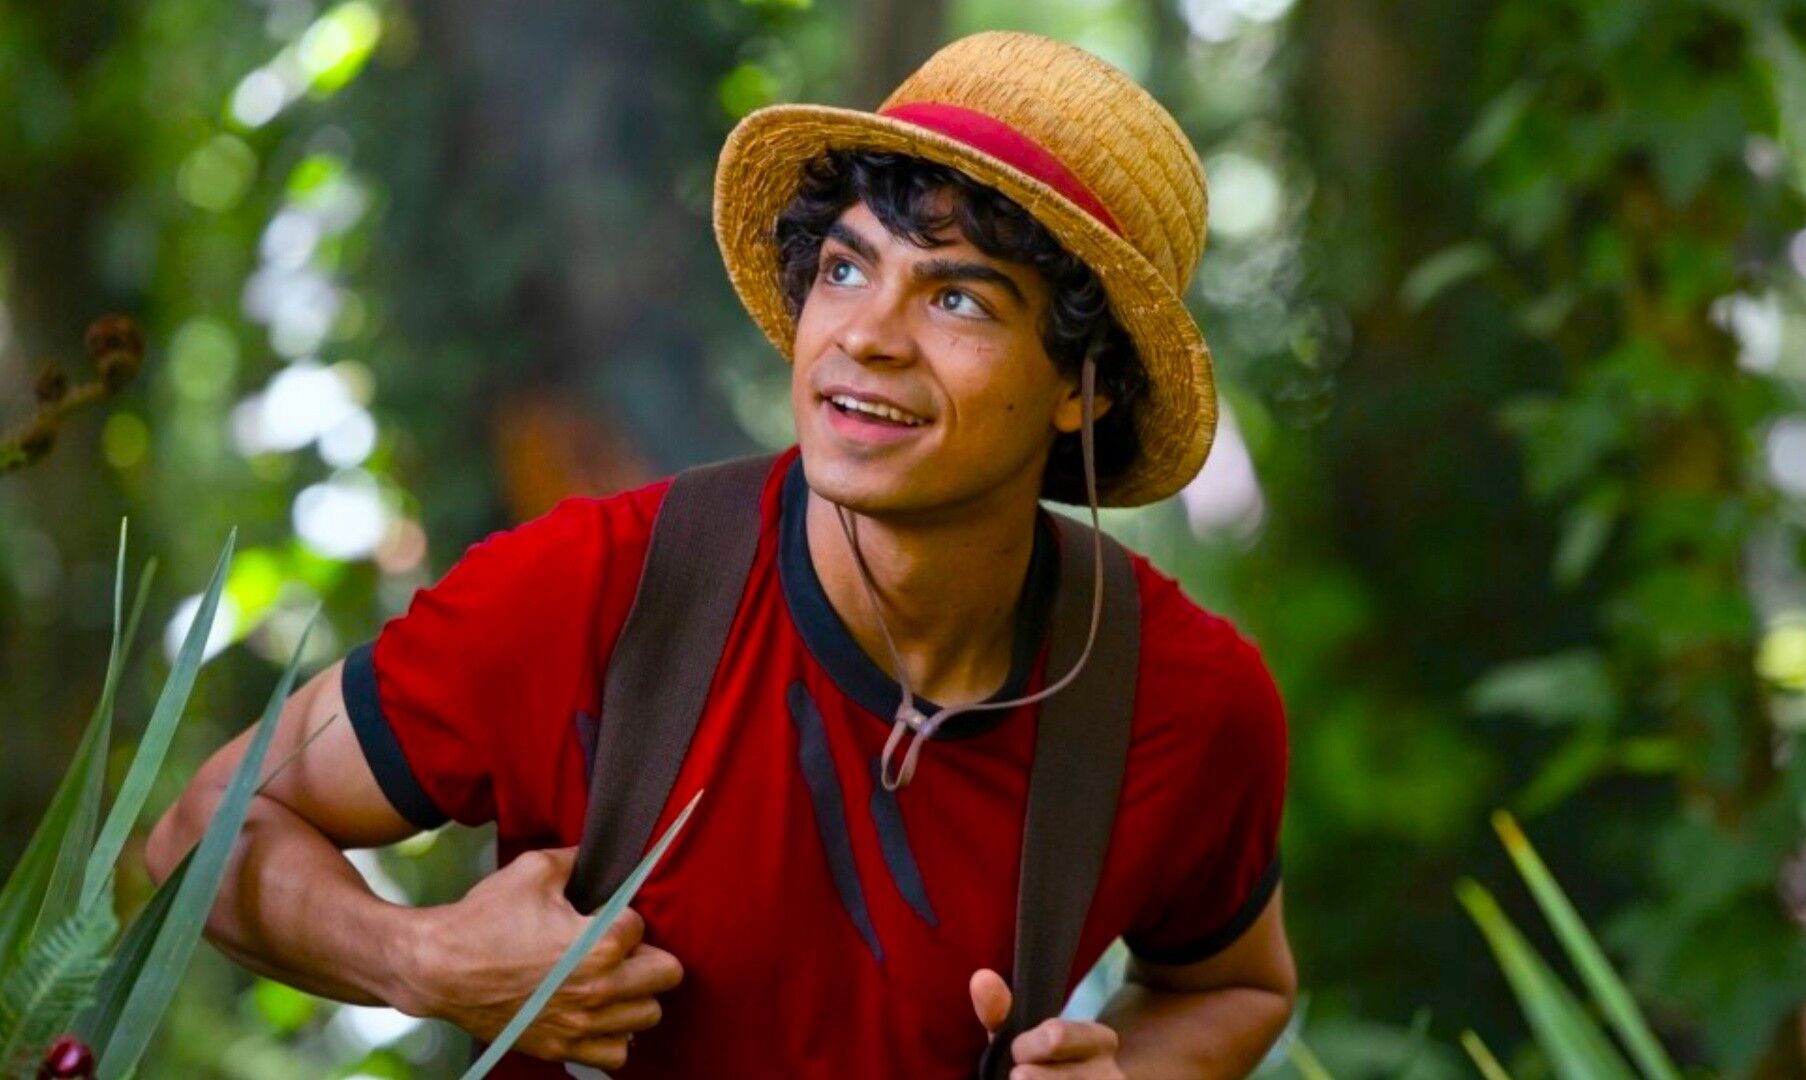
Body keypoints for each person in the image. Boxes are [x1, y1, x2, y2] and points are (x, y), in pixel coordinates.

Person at [148, 29, 1297, 1078]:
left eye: (959, 300)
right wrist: (422, 959)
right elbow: (201, 831)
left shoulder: (1184, 702)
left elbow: (1234, 987)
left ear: (1084, 388)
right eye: (846, 268)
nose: (866, 336)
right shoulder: (590, 590)